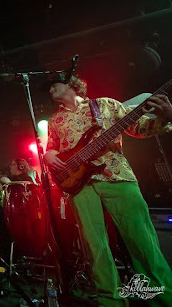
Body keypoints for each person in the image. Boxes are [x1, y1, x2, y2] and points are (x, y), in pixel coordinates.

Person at [43, 72, 172, 306]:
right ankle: (109, 300)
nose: (50, 89)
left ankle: (163, 298)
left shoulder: (105, 104)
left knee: (142, 240)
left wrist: (166, 117)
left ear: (72, 85)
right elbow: (53, 148)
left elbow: (139, 128)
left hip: (117, 175)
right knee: (95, 247)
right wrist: (48, 153)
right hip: (79, 186)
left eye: (55, 84)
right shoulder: (55, 121)